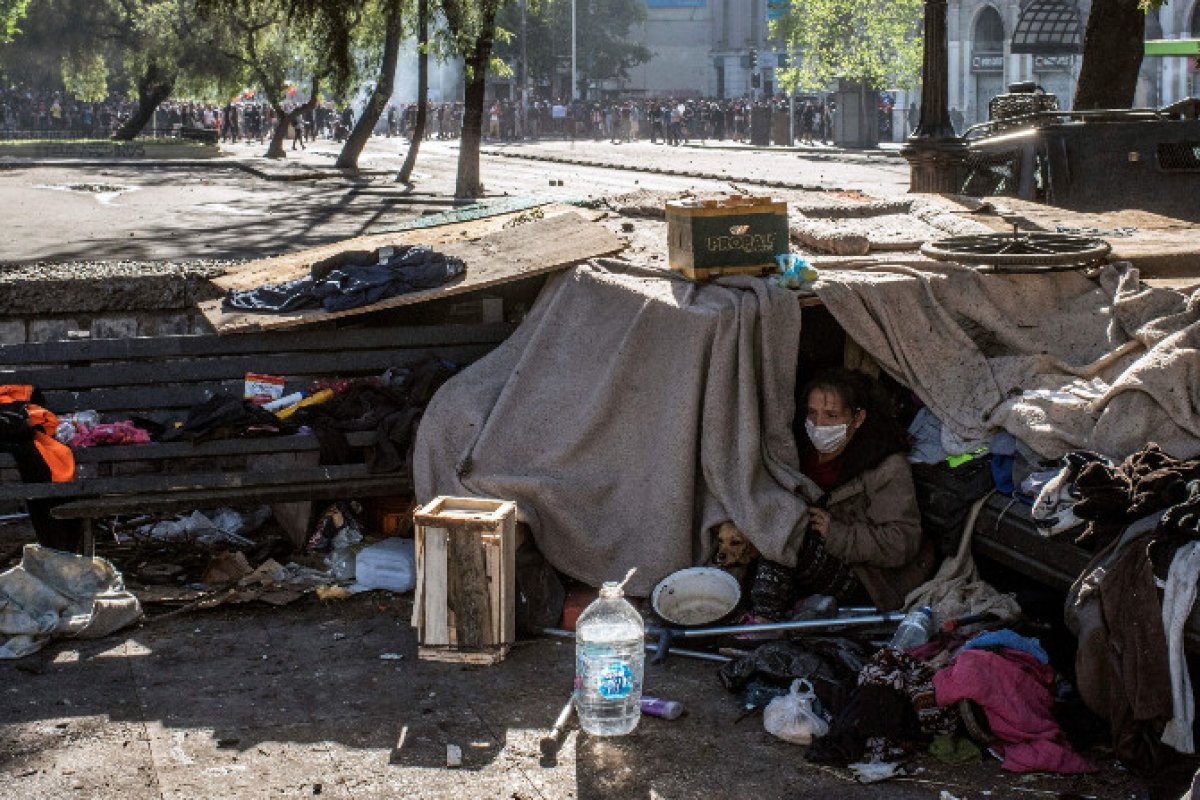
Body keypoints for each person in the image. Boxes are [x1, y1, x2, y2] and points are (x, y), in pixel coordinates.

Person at [749, 369, 934, 618]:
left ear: (858, 418)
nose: (818, 424)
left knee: (788, 534)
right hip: (815, 557)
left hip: (867, 577)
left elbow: (901, 541)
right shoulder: (797, 451)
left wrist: (835, 533)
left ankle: (762, 620)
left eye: (831, 416)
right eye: (812, 414)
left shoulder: (886, 466)